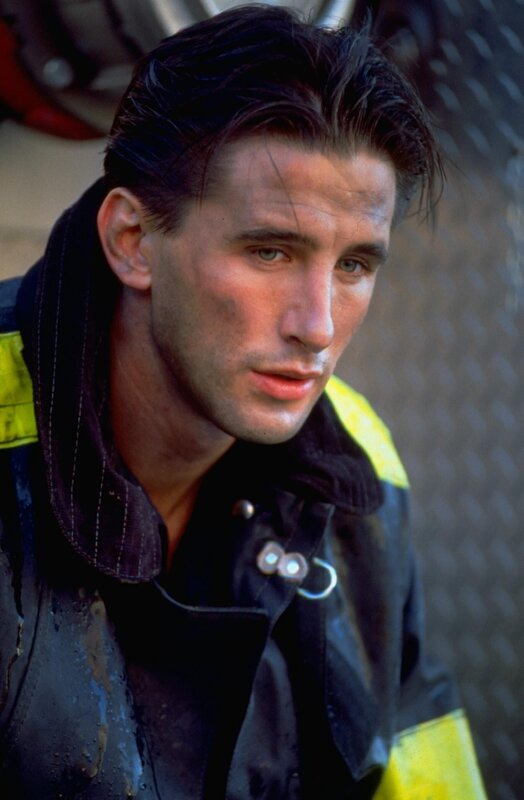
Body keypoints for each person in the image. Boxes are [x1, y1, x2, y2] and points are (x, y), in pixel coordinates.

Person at [0, 5, 485, 798]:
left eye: (355, 265)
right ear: (132, 241)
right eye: (270, 251)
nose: (316, 327)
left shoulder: (359, 459)